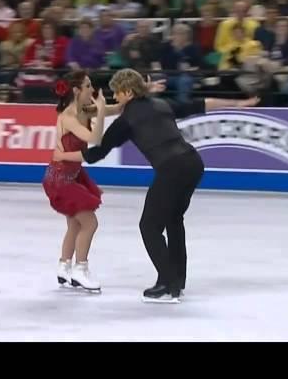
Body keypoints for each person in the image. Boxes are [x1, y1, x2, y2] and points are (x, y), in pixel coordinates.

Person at [53, 69, 259, 303]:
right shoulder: (162, 103)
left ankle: (166, 284)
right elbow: (202, 103)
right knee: (173, 220)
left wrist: (65, 154)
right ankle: (177, 281)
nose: (116, 98)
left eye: (117, 94)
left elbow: (97, 153)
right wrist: (239, 103)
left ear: (128, 92)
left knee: (149, 227)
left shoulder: (126, 120)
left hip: (172, 169)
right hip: (193, 164)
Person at [42, 71, 109, 293]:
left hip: (68, 175)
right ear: (76, 91)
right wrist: (100, 112)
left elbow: (114, 109)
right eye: (88, 86)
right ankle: (80, 270)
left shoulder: (83, 110)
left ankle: (64, 266)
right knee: (90, 223)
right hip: (61, 179)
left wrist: (137, 96)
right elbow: (95, 139)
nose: (92, 89)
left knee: (75, 223)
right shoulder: (68, 117)